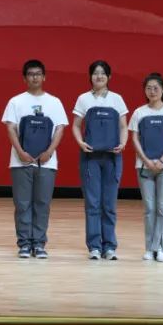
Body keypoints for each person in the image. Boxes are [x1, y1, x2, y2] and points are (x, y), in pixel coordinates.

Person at [2, 59, 68, 259]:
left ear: (44, 77)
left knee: (42, 204)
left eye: (38, 74)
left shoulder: (54, 102)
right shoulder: (16, 101)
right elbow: (11, 128)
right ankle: (24, 243)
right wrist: (20, 152)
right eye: (30, 74)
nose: (34, 77)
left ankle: (39, 243)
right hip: (20, 161)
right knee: (22, 204)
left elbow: (60, 129)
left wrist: (49, 152)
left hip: (47, 162)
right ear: (24, 78)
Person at [71, 60, 129, 260]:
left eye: (103, 73)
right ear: (90, 76)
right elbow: (76, 125)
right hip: (90, 158)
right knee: (93, 203)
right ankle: (94, 247)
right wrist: (80, 143)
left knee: (109, 204)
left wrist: (123, 143)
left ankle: (110, 246)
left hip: (112, 157)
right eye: (95, 73)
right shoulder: (83, 99)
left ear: (109, 77)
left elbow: (123, 126)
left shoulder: (117, 99)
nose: (99, 76)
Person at [129, 72, 163, 263]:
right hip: (144, 167)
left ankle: (162, 248)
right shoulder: (139, 112)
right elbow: (134, 139)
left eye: (155, 88)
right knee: (149, 208)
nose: (152, 91)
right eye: (148, 88)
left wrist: (162, 160)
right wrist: (146, 160)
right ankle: (149, 248)